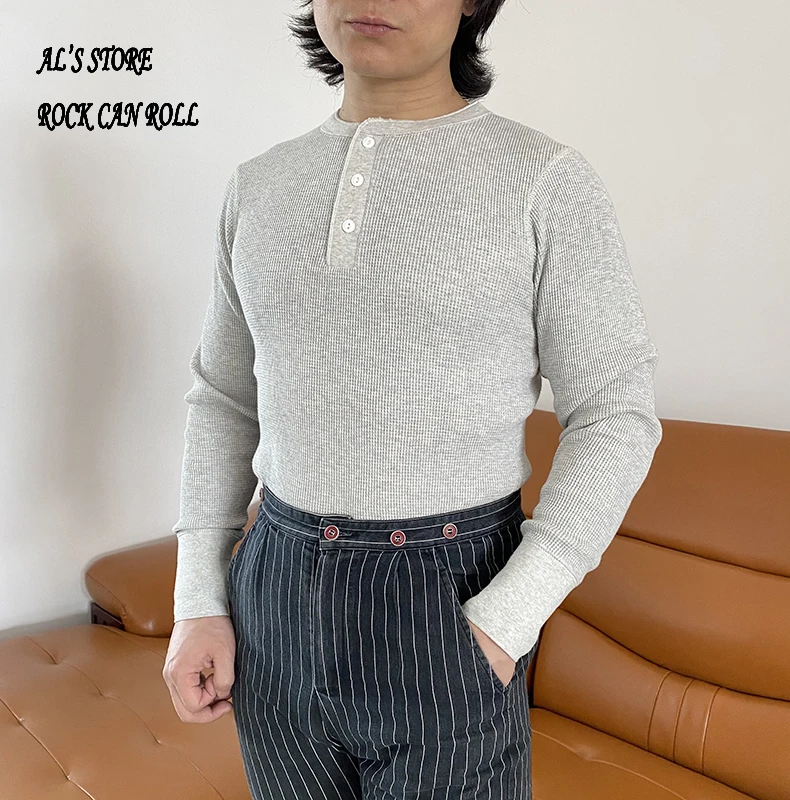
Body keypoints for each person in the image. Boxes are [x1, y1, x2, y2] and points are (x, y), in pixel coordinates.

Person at [162, 1, 663, 798]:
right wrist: (198, 599)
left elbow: (614, 414)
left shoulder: (544, 181)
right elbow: (224, 398)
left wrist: (506, 620)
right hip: (273, 594)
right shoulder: (258, 185)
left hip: (452, 597)